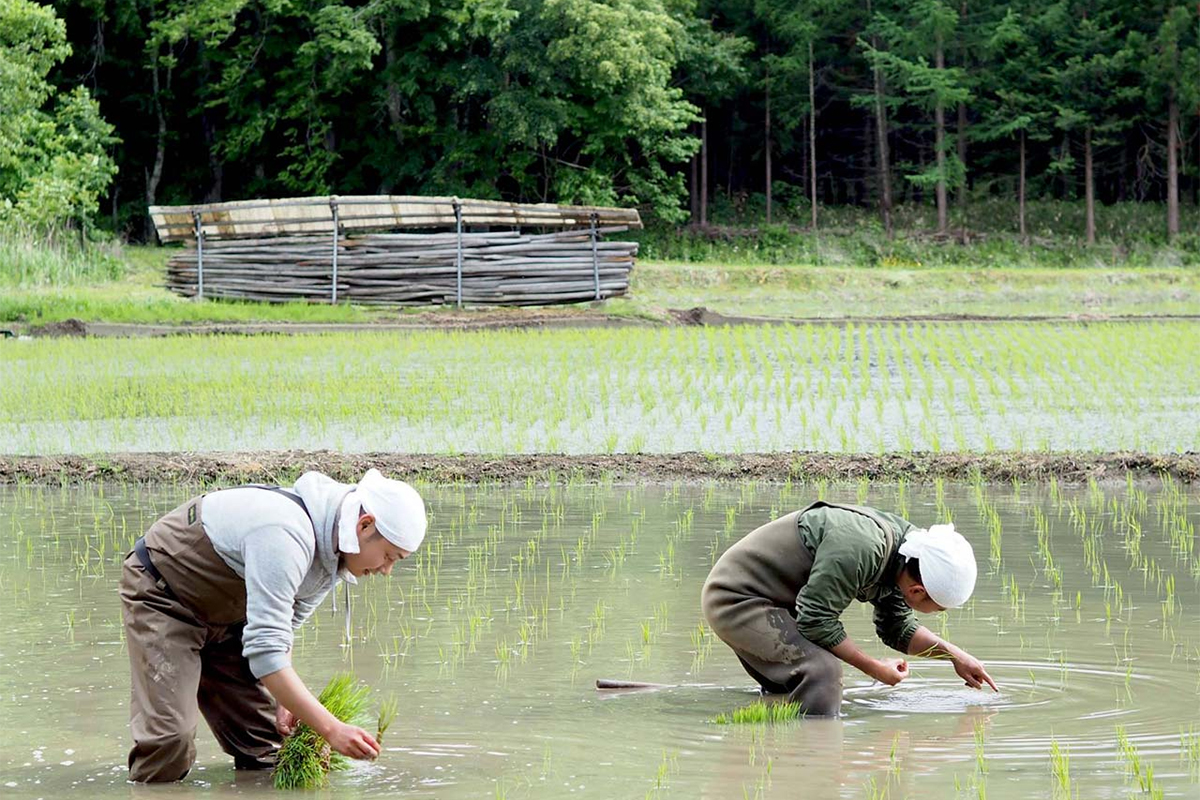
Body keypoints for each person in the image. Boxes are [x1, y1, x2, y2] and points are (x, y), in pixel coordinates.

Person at [119, 468, 427, 782]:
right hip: (166, 596)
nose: (387, 570)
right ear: (364, 525)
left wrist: (283, 700)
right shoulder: (285, 533)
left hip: (230, 618)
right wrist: (332, 730)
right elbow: (266, 653)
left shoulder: (334, 551)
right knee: (170, 743)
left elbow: (284, 626)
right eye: (389, 556)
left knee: (266, 745)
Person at [701, 501, 996, 716]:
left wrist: (955, 656)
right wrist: (875, 668)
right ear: (917, 591)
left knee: (787, 694)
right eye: (937, 608)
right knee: (822, 672)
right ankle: (813, 760)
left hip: (777, 607)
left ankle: (776, 754)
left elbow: (899, 630)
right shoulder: (863, 548)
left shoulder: (908, 554)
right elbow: (816, 620)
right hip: (737, 599)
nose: (935, 613)